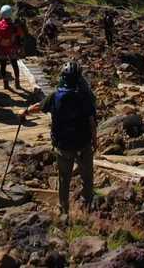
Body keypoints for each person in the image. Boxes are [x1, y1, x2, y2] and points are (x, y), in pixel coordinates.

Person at [27, 60, 97, 222]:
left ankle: (63, 209)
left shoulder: (55, 96)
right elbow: (91, 122)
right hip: (83, 143)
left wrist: (25, 112)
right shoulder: (85, 96)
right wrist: (94, 140)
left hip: (63, 145)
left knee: (64, 178)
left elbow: (39, 106)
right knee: (87, 177)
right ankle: (87, 207)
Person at [0, 4, 23, 91]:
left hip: (1, 48)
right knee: (14, 64)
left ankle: (5, 83)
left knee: (3, 65)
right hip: (12, 47)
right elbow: (20, 35)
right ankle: (17, 82)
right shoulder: (14, 25)